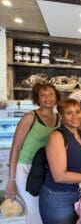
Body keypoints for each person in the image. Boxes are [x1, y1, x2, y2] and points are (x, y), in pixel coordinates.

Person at [5, 82, 61, 224]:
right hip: (26, 169)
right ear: (37, 98)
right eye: (42, 95)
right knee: (35, 211)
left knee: (44, 209)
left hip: (46, 170)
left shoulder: (60, 118)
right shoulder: (30, 117)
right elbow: (15, 148)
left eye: (50, 94)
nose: (47, 98)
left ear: (56, 97)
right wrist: (11, 181)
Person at [39, 99, 81, 224]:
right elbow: (59, 176)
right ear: (61, 116)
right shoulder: (57, 137)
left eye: (78, 112)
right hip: (58, 197)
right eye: (69, 113)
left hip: (79, 194)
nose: (75, 116)